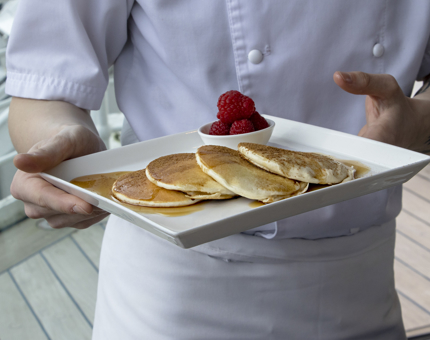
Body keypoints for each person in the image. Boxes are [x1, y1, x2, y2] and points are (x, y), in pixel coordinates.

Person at [6, 1, 430, 339]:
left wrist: (419, 120)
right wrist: (66, 147)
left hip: (359, 280)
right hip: (178, 286)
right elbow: (44, 87)